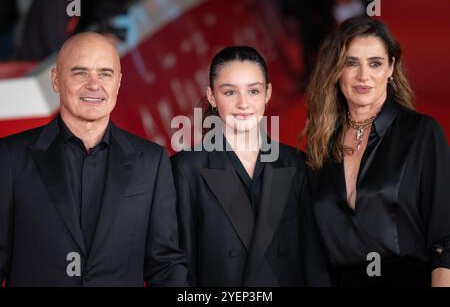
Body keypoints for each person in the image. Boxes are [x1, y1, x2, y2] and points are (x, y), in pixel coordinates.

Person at [0, 32, 188, 286]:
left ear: (118, 82)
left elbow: (165, 264)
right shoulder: (10, 157)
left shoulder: (151, 162)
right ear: (56, 80)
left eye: (105, 73)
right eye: (80, 73)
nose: (94, 84)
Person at [303, 16, 450, 286]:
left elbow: (444, 238)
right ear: (336, 71)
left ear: (391, 67)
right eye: (351, 63)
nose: (363, 76)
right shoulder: (321, 143)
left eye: (375, 63)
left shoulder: (420, 133)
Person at [170, 46, 329, 286]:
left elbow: (314, 261)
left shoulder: (296, 165)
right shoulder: (185, 169)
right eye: (230, 93)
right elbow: (177, 265)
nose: (243, 104)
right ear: (212, 96)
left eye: (253, 91)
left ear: (267, 93)